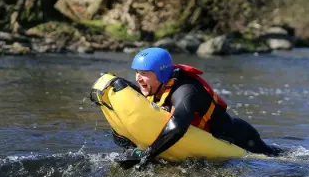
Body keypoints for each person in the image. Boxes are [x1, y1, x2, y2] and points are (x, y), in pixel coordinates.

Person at [113, 47, 281, 170]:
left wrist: (148, 154)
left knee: (277, 159)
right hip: (210, 138)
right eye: (136, 72)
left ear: (161, 74)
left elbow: (178, 126)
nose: (138, 79)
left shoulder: (187, 90)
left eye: (144, 73)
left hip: (242, 139)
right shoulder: (156, 85)